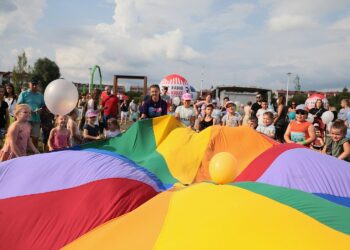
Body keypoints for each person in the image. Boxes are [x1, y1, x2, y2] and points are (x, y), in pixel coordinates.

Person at [17, 80, 45, 148]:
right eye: (33, 84)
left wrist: (40, 110)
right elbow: (18, 105)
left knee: (35, 138)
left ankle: (34, 156)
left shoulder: (41, 96)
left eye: (36, 84)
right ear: (29, 84)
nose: (35, 86)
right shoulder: (24, 94)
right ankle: (23, 153)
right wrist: (28, 110)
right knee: (24, 137)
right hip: (25, 119)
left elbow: (43, 107)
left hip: (36, 119)